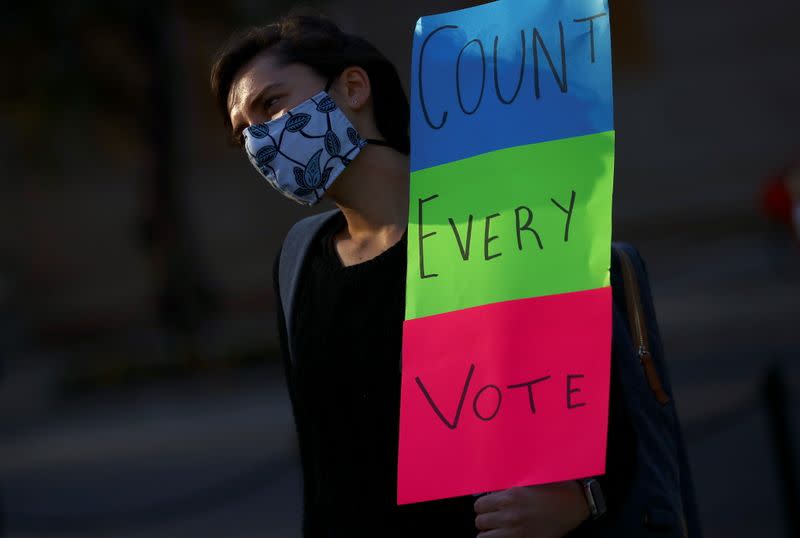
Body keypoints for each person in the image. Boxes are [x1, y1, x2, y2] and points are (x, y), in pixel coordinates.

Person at [210, 12, 637, 538]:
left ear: (353, 88)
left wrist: (583, 500)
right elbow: (325, 471)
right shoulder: (300, 261)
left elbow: (603, 416)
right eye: (243, 133)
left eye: (270, 104)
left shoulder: (496, 226)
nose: (260, 140)